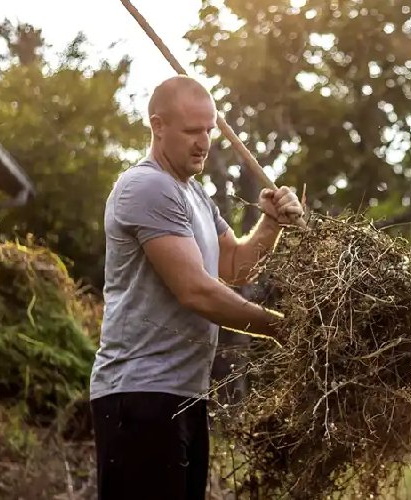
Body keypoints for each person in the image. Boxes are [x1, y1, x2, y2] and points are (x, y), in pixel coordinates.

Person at [88, 75, 303, 500]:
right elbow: (197, 291)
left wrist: (271, 222)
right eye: (191, 131)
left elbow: (236, 267)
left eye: (209, 129)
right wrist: (282, 327)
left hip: (183, 395)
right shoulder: (147, 187)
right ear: (158, 126)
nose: (203, 141)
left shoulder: (196, 196)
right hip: (139, 396)